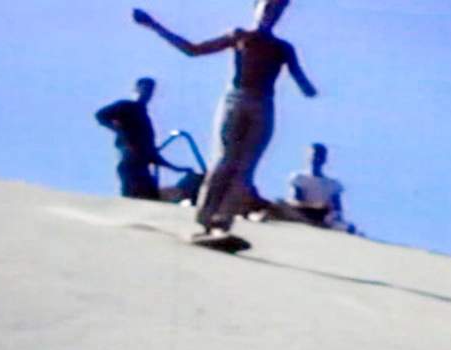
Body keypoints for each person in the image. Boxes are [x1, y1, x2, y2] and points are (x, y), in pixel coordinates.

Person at [133, 0, 317, 232]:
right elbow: (193, 50)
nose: (272, 13)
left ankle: (223, 220)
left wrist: (312, 89)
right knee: (224, 160)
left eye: (277, 9)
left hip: (263, 104)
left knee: (245, 167)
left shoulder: (282, 48)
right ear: (256, 9)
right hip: (237, 98)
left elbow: (301, 79)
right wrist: (154, 25)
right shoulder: (240, 36)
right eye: (268, 7)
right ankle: (205, 215)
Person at [96, 77, 192, 200]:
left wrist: (176, 168)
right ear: (137, 89)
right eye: (145, 88)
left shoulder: (145, 121)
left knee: (151, 197)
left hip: (142, 167)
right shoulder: (127, 106)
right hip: (131, 164)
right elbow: (101, 115)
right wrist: (119, 130)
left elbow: (152, 153)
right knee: (136, 195)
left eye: (150, 90)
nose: (148, 93)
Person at [287, 143, 356, 233]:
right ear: (308, 157)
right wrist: (316, 207)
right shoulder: (299, 178)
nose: (316, 158)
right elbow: (295, 201)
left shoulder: (333, 184)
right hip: (302, 215)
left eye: (319, 156)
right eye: (313, 155)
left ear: (324, 159)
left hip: (325, 220)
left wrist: (330, 214)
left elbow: (337, 209)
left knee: (348, 228)